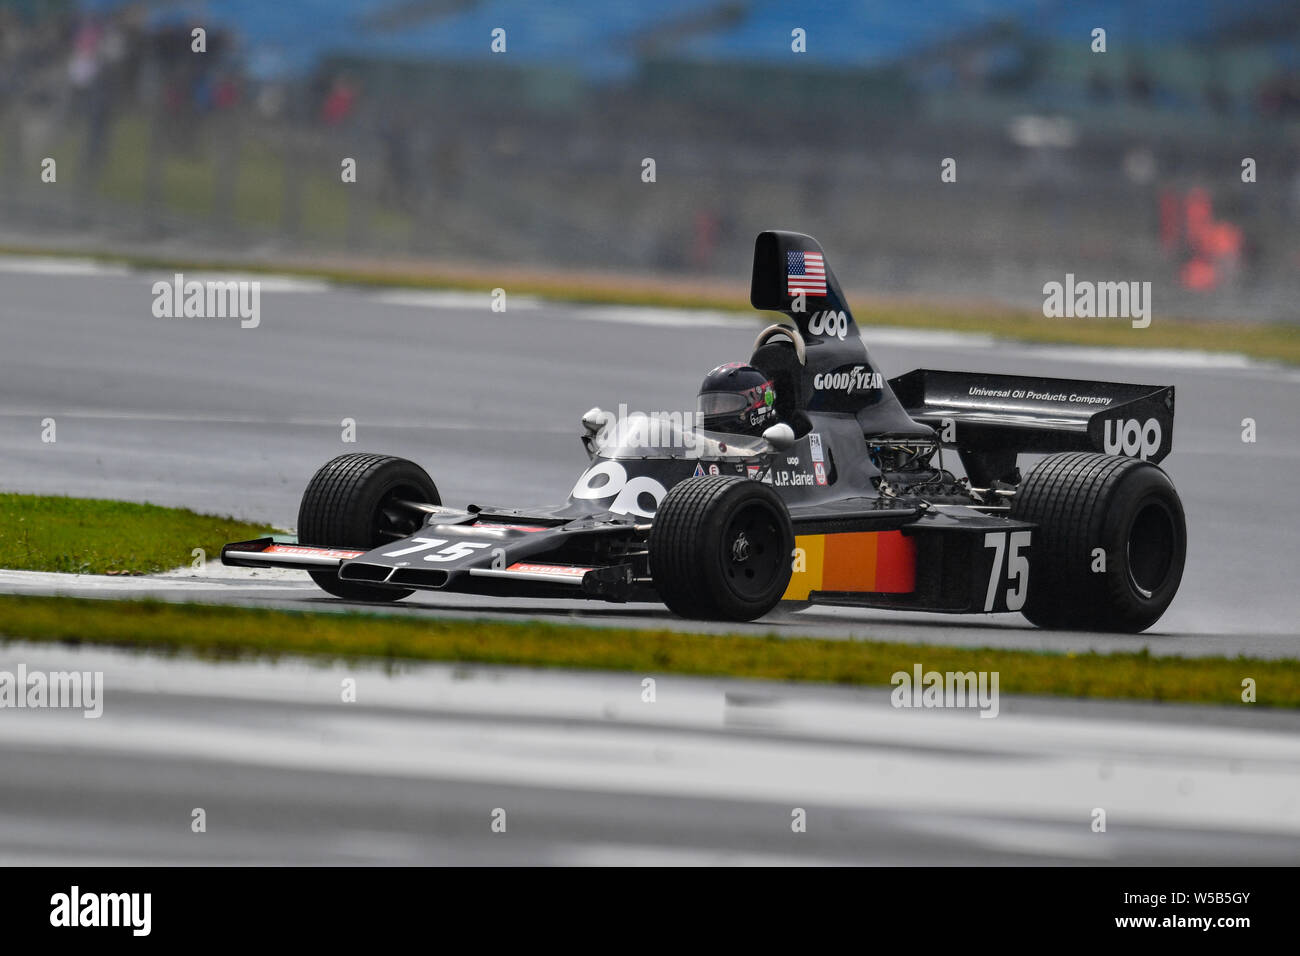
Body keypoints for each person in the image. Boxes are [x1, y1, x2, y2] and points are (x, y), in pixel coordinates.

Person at [696, 363, 778, 437]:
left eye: (726, 404)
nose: (716, 411)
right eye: (712, 405)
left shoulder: (779, 445)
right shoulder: (696, 440)